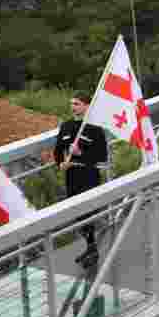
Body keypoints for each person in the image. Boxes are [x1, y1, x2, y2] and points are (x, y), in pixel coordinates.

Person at [53, 91, 108, 266]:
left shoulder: (94, 128)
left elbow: (101, 156)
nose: (73, 106)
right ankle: (90, 246)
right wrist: (60, 163)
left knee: (88, 211)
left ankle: (92, 250)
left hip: (88, 174)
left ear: (86, 106)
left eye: (77, 103)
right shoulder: (66, 126)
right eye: (72, 103)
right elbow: (58, 150)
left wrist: (81, 153)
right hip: (71, 175)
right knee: (77, 213)